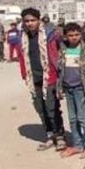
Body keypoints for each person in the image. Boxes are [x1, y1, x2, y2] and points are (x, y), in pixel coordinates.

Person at [19, 8, 67, 151]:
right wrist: (25, 75)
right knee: (40, 108)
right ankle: (50, 135)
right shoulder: (23, 37)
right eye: (27, 21)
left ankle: (60, 136)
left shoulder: (50, 35)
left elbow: (63, 47)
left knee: (52, 108)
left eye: (33, 20)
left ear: (39, 20)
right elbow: (22, 58)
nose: (30, 23)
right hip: (33, 78)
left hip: (49, 76)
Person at [57, 22, 85, 159]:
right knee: (72, 118)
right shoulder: (63, 50)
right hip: (68, 88)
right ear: (66, 36)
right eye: (70, 35)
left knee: (83, 118)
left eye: (77, 34)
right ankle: (77, 144)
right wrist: (59, 87)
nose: (74, 37)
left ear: (81, 35)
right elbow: (60, 71)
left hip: (82, 88)